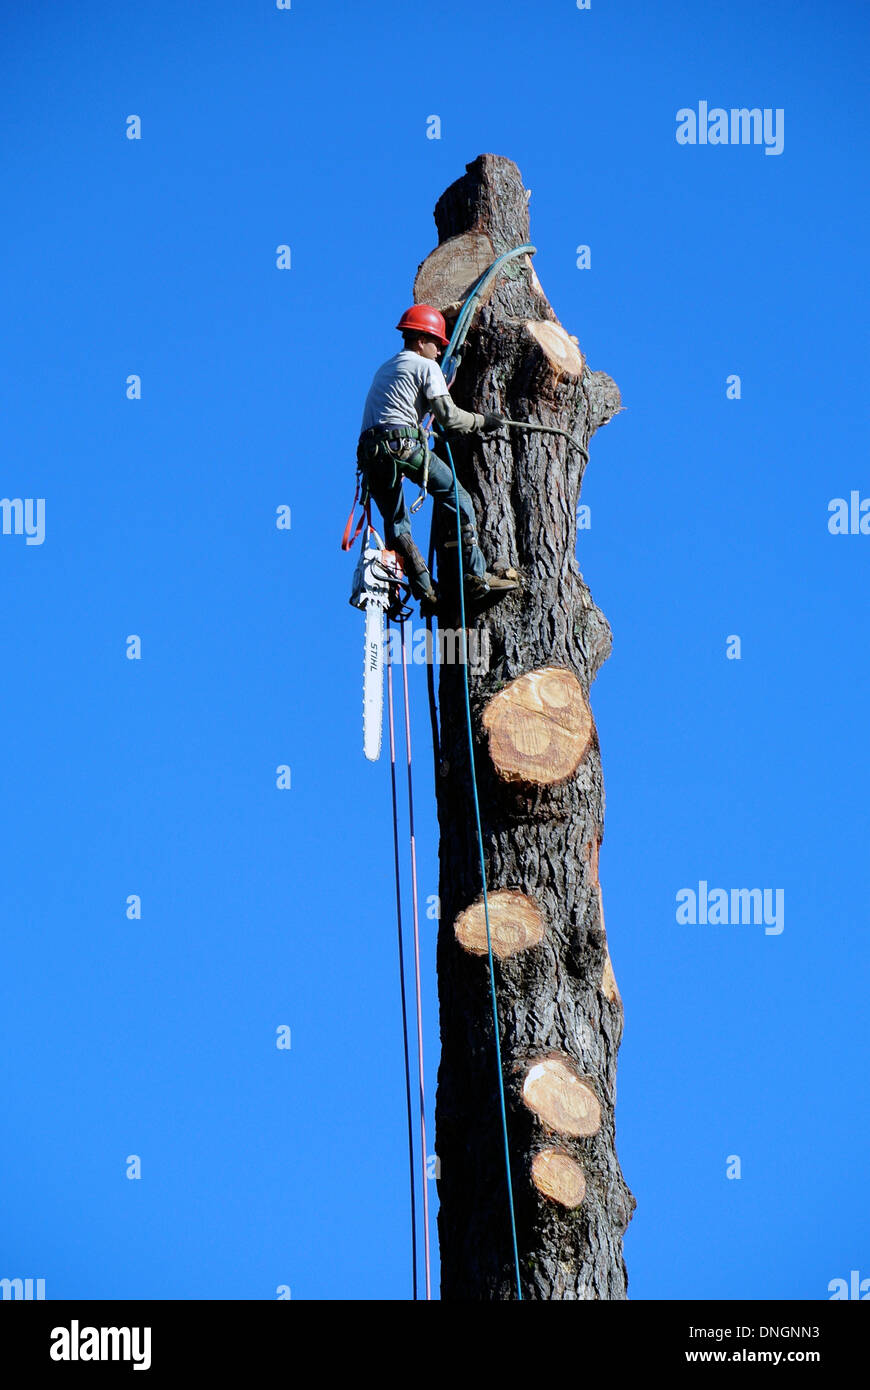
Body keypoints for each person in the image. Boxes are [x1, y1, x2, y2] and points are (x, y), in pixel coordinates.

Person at [357, 304, 518, 607]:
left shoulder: (387, 368)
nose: (440, 352)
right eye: (436, 343)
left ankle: (424, 589)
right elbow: (449, 418)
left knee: (396, 524)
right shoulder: (425, 366)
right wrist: (485, 421)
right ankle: (476, 575)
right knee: (458, 498)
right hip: (401, 444)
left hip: (371, 454)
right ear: (420, 340)